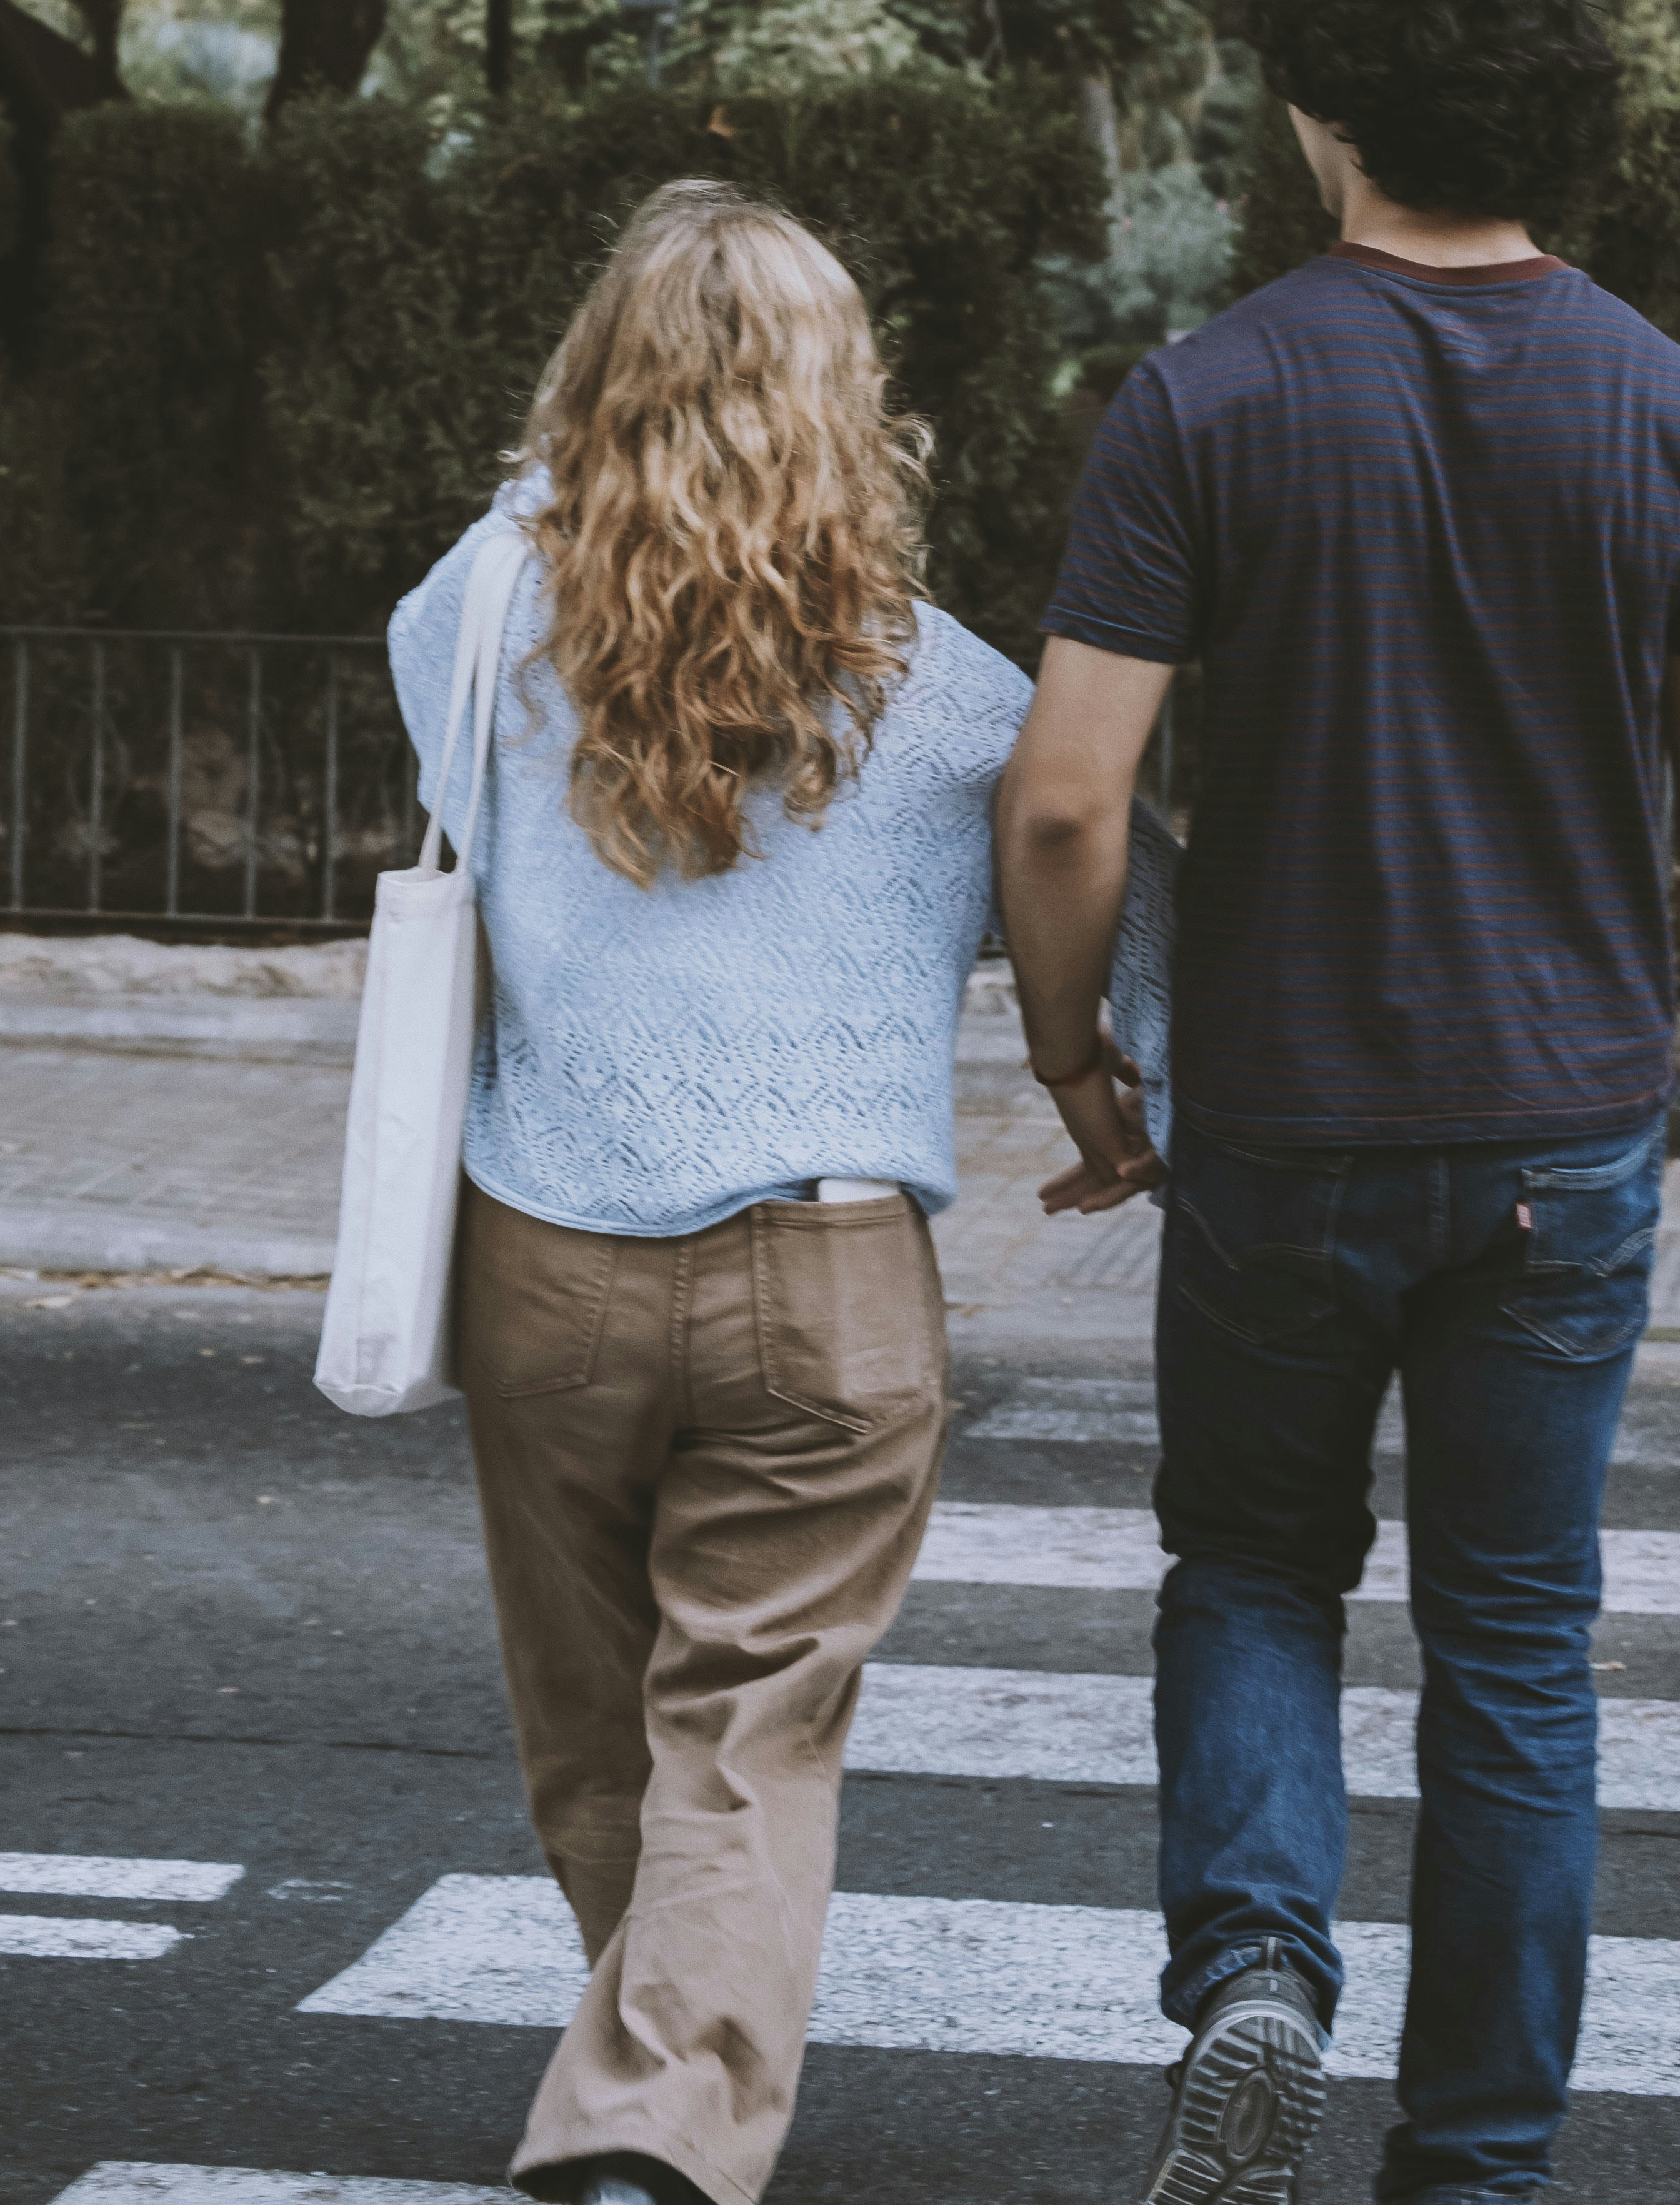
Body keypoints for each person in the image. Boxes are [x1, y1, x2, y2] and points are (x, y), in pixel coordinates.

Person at [995, 0, 1680, 2205]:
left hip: (1285, 1121)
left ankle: (1260, 1975)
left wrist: (1081, 1057)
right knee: (1518, 1654)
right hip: (1568, 1137)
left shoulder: (1207, 398)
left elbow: (1072, 793)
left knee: (1257, 1569)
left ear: (1323, 113)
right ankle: (1475, 2160)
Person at [388, 180, 1168, 2205]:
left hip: (546, 1250)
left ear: (594, 382)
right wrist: (1098, 1090)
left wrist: (558, 491)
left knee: (592, 1728)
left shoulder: (469, 621)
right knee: (744, 1724)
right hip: (832, 1276)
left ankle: (652, 2087)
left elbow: (487, 702)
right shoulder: (965, 700)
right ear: (852, 408)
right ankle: (659, 2109)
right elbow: (1118, 926)